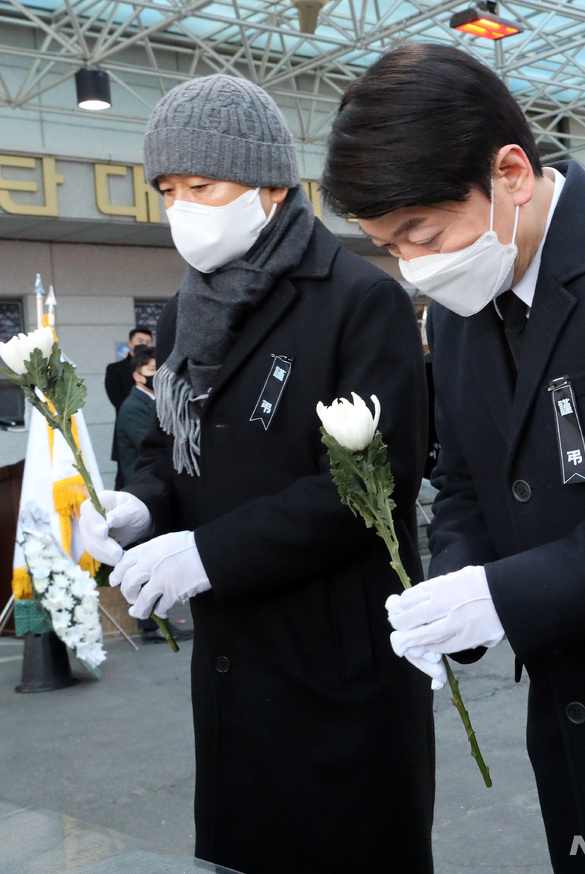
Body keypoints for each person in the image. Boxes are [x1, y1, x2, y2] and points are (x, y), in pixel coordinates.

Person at [320, 42, 585, 873]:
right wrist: (453, 592)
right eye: (389, 248)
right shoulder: (468, 310)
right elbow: (464, 479)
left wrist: (505, 594)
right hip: (570, 726)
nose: (414, 268)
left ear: (510, 174)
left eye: (420, 233)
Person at [79, 74, 434, 874]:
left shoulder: (356, 301)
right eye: (168, 189)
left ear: (272, 185)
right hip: (237, 661)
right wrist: (138, 504)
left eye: (203, 185)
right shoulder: (185, 311)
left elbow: (369, 485)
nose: (182, 209)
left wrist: (207, 554)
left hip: (339, 656)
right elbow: (170, 446)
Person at [115, 345, 193, 643]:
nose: (157, 376)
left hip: (153, 489)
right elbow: (153, 448)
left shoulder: (155, 399)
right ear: (137, 376)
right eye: (151, 371)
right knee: (146, 561)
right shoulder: (134, 406)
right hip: (143, 491)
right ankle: (152, 624)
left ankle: (158, 621)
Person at [105, 327, 153, 488]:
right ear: (130, 343)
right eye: (140, 341)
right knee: (126, 475)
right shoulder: (115, 369)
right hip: (129, 426)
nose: (144, 344)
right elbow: (117, 399)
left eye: (148, 342)